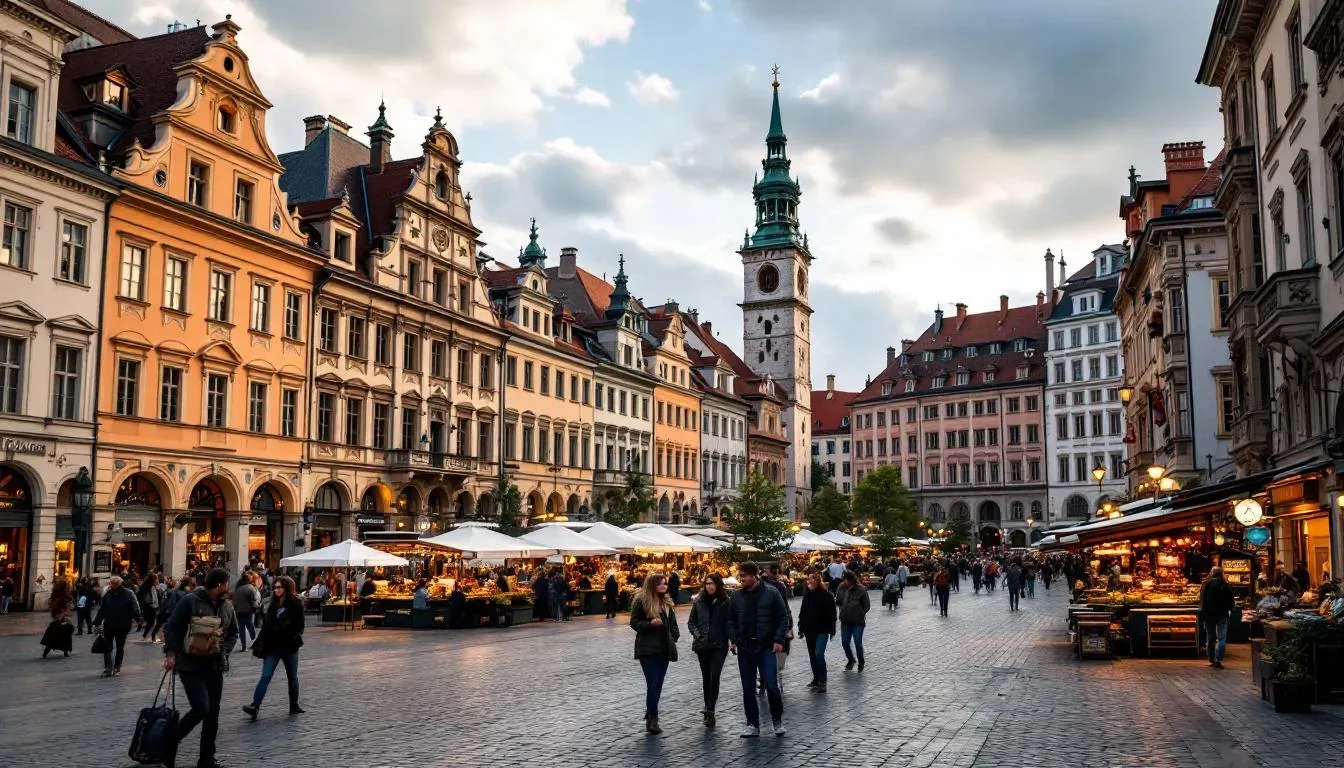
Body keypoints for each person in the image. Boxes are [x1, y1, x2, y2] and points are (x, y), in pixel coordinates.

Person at [163, 568, 238, 768]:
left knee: (212, 713)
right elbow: (171, 627)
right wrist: (171, 654)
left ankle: (206, 758)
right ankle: (169, 743)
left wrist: (225, 650)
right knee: (201, 708)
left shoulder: (227, 606)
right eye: (227, 583)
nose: (228, 586)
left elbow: (233, 632)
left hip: (215, 666)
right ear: (220, 584)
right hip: (191, 665)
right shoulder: (190, 601)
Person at [727, 562, 788, 738]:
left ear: (754, 575)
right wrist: (735, 638)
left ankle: (777, 721)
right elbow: (730, 620)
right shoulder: (737, 596)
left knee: (771, 685)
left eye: (744, 575)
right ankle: (752, 724)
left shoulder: (771, 592)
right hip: (746, 646)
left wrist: (778, 639)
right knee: (748, 688)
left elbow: (782, 617)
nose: (742, 579)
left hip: (766, 646)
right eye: (741, 576)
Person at [243, 575, 305, 720]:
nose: (276, 590)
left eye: (279, 587)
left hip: (289, 645)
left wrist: (286, 627)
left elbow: (299, 626)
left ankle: (294, 705)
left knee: (292, 677)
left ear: (287, 588)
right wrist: (260, 641)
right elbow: (267, 625)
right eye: (275, 587)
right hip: (273, 646)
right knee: (265, 676)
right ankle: (255, 706)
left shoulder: (295, 603)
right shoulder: (273, 604)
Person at [630, 572, 679, 735]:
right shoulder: (642, 601)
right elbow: (634, 622)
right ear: (652, 585)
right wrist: (650, 623)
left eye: (665, 583)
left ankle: (651, 713)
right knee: (653, 683)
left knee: (657, 684)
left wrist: (674, 635)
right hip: (647, 649)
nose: (663, 586)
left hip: (664, 649)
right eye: (660, 584)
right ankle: (653, 718)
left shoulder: (666, 602)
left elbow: (673, 623)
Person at [687, 573, 730, 727]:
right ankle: (708, 709)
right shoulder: (698, 601)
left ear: (718, 585)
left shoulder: (725, 601)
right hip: (703, 645)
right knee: (706, 678)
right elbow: (691, 622)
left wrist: (733, 640)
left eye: (712, 583)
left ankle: (710, 708)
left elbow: (730, 623)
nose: (710, 586)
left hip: (719, 644)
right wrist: (698, 634)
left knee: (714, 675)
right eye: (707, 583)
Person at [94, 575, 140, 676]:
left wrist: (139, 619)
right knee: (107, 647)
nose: (112, 585)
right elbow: (102, 610)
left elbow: (135, 608)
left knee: (119, 647)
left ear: (119, 584)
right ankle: (109, 667)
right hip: (110, 624)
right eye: (111, 583)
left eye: (114, 584)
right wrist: (97, 622)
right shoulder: (108, 594)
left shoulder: (128, 594)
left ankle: (116, 667)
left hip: (123, 625)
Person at [797, 572, 836, 692]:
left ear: (817, 581)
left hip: (822, 630)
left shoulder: (827, 596)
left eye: (811, 580)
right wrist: (801, 627)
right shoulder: (807, 595)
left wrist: (831, 629)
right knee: (813, 655)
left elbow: (832, 614)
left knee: (819, 654)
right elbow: (803, 612)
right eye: (808, 580)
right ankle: (816, 679)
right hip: (810, 630)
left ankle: (822, 681)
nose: (808, 582)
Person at [1199, 566, 1235, 669]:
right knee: (1221, 638)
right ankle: (1218, 660)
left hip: (1209, 614)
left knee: (1210, 637)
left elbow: (1202, 600)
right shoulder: (1226, 584)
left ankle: (1211, 659)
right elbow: (1231, 601)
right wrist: (1230, 611)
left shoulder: (1205, 584)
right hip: (1222, 614)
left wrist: (1203, 612)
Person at [834, 570, 869, 672]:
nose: (845, 582)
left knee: (858, 642)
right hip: (845, 620)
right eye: (844, 579)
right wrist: (843, 609)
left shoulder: (861, 589)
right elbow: (838, 601)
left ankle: (861, 661)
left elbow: (866, 606)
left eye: (847, 580)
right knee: (845, 642)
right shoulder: (841, 587)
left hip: (858, 621)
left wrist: (859, 613)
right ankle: (851, 659)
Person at [40, 578, 75, 658]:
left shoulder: (55, 595)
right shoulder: (65, 597)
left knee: (53, 636)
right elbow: (68, 607)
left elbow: (52, 606)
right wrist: (64, 614)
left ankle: (47, 651)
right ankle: (65, 651)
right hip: (62, 618)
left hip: (56, 618)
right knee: (65, 636)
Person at [235, 573, 260, 651]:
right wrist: (257, 608)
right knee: (250, 625)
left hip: (239, 611)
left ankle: (244, 647)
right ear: (249, 580)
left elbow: (234, 601)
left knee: (241, 629)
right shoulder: (251, 588)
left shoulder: (238, 589)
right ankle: (253, 637)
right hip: (248, 611)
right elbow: (254, 601)